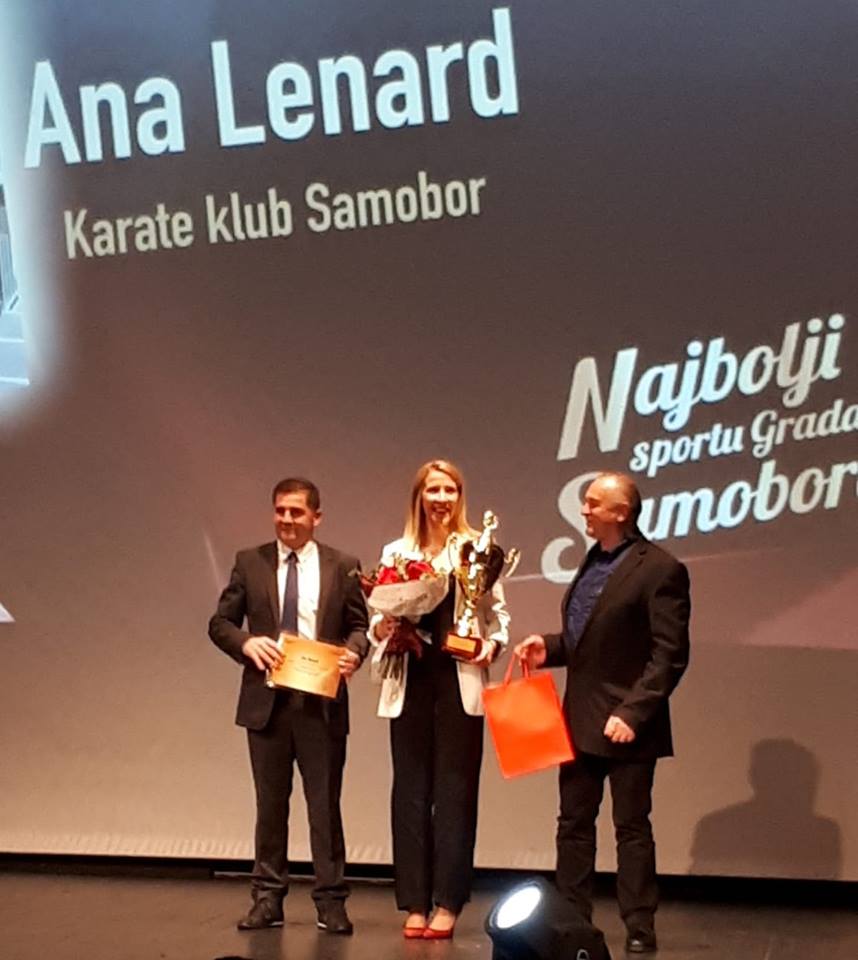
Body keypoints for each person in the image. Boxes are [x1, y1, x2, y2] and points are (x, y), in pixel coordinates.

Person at [515, 472, 690, 955]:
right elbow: (590, 638)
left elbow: (669, 654)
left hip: (631, 724)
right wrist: (550, 648)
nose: (584, 510)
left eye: (593, 503)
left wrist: (633, 713)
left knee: (631, 826)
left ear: (621, 512)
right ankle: (572, 920)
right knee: (573, 824)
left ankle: (639, 923)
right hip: (580, 717)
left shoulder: (661, 569)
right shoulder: (593, 560)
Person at [209, 477, 369, 935]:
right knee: (270, 806)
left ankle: (331, 901)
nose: (287, 520)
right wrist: (246, 643)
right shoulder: (250, 562)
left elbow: (359, 627)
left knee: (325, 807)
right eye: (280, 511)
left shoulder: (343, 566)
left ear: (317, 517)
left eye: (296, 512)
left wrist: (354, 653)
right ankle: (267, 898)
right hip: (267, 703)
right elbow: (220, 623)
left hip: (321, 703)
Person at [369, 459, 509, 939]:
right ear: (419, 497)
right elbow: (377, 616)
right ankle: (414, 901)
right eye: (433, 490)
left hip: (458, 679)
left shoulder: (477, 550)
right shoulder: (396, 552)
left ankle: (448, 901)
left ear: (460, 496)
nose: (441, 499)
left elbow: (498, 617)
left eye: (450, 490)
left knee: (455, 792)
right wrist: (384, 629)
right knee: (409, 792)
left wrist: (492, 645)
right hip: (411, 677)